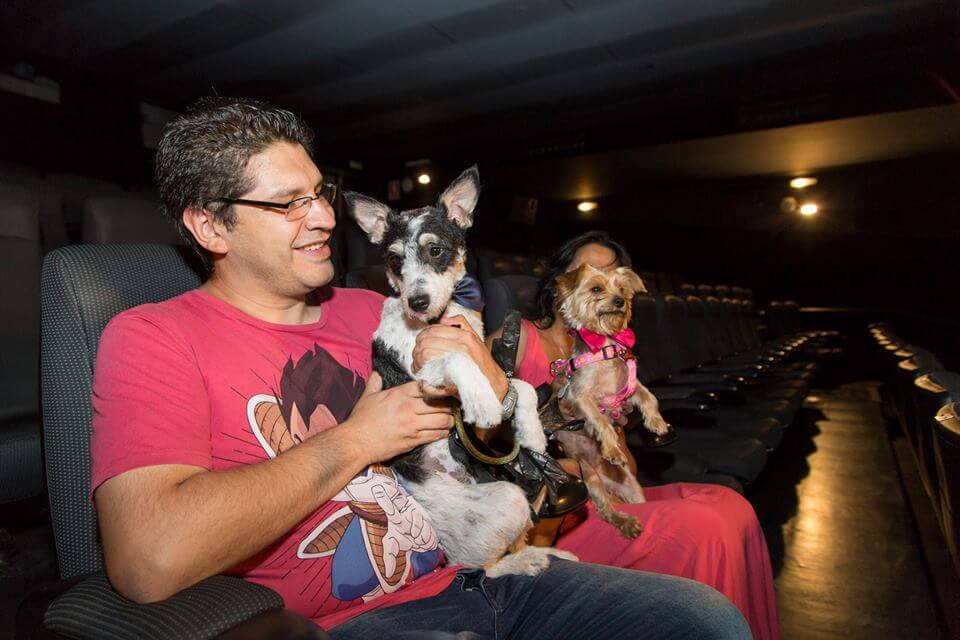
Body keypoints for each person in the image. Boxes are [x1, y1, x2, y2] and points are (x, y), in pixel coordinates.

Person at [89, 97, 751, 639]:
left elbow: (496, 445)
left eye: (321, 193)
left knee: (704, 620)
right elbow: (149, 560)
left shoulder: (379, 310)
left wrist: (497, 389)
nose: (325, 218)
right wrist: (357, 440)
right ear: (210, 226)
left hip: (483, 569)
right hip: (357, 622)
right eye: (288, 203)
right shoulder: (154, 338)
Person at [487, 231, 780, 640]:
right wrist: (556, 429)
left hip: (606, 493)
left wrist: (614, 429)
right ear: (560, 283)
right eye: (589, 274)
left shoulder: (611, 356)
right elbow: (476, 438)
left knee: (732, 506)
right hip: (552, 513)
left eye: (613, 277)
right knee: (708, 527)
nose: (606, 287)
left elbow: (626, 467)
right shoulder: (516, 339)